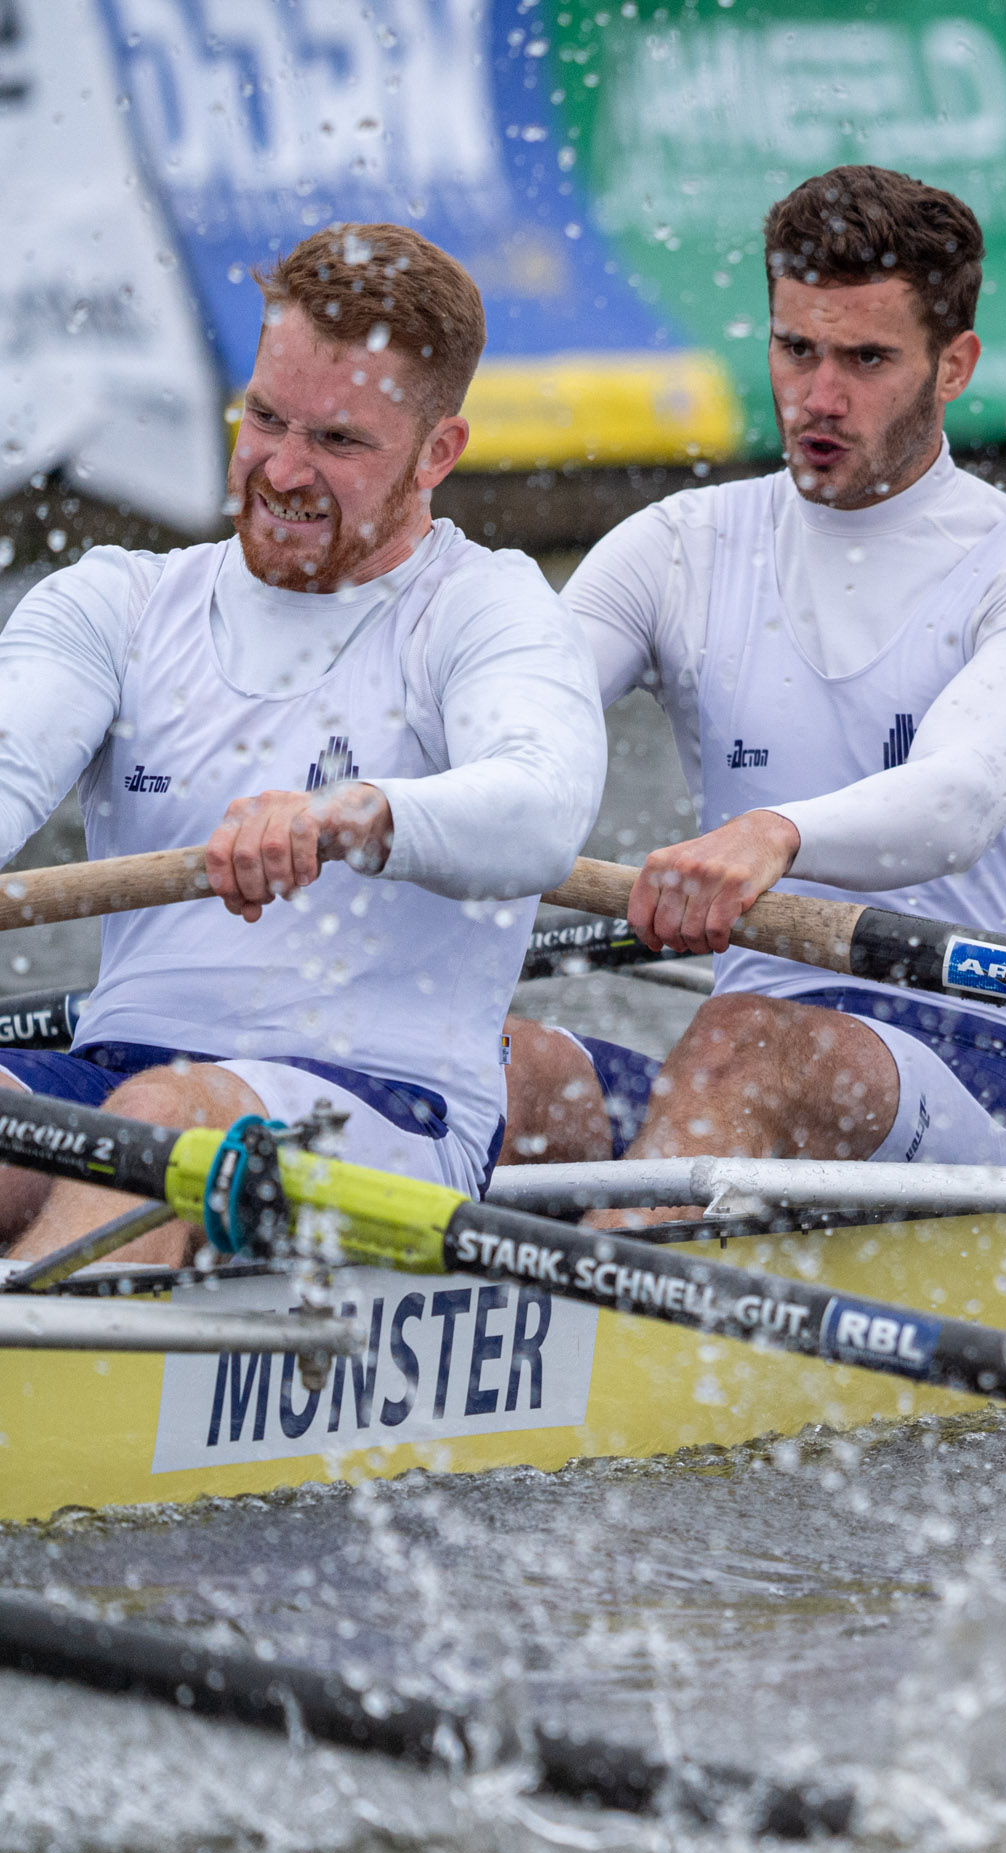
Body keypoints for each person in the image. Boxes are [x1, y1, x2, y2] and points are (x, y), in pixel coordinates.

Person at [500, 165, 1006, 1206]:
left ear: (955, 365)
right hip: (746, 1058)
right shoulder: (676, 547)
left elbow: (957, 801)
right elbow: (513, 734)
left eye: (867, 360)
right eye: (797, 350)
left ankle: (633, 1339)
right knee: (499, 1064)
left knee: (746, 1042)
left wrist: (775, 835)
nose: (818, 398)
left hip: (977, 1071)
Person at [0, 223, 607, 1263]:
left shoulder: (487, 613)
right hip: (122, 1072)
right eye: (266, 418)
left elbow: (542, 808)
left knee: (167, 1121)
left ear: (438, 454)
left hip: (386, 1109)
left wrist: (358, 816)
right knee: (142, 1111)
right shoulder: (116, 603)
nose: (281, 469)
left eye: (336, 443)